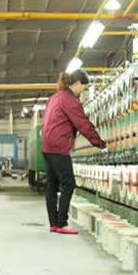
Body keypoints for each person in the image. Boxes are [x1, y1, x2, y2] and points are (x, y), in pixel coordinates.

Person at [42, 69, 107, 234]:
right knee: (69, 183)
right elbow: (83, 124)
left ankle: (54, 223)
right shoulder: (69, 100)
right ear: (77, 83)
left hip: (47, 146)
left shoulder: (55, 97)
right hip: (58, 146)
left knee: (51, 185)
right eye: (83, 88)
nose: (82, 92)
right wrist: (100, 143)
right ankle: (61, 223)